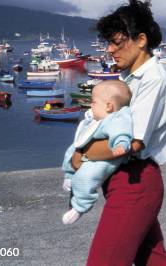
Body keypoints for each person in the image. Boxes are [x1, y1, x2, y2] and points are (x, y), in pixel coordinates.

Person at [71, 0, 166, 265]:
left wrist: (81, 153)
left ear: (140, 40)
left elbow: (133, 143)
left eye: (116, 42)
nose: (109, 50)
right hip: (126, 180)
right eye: (108, 42)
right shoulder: (128, 77)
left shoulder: (152, 79)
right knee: (153, 259)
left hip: (135, 181)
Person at [61, 80, 133, 225]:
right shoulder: (99, 118)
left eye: (93, 102)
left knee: (87, 176)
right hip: (91, 154)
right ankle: (69, 176)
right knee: (70, 152)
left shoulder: (118, 119)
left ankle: (81, 206)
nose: (91, 105)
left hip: (103, 161)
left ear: (108, 106)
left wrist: (121, 145)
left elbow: (122, 134)